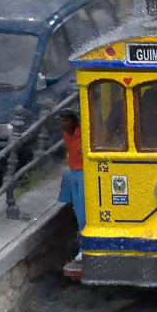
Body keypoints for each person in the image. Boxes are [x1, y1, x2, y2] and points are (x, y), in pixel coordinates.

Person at [58, 109, 86, 262]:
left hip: (83, 173)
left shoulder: (83, 134)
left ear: (74, 121)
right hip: (73, 172)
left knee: (83, 214)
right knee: (76, 209)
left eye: (66, 121)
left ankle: (84, 247)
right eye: (61, 121)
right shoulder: (66, 135)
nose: (63, 125)